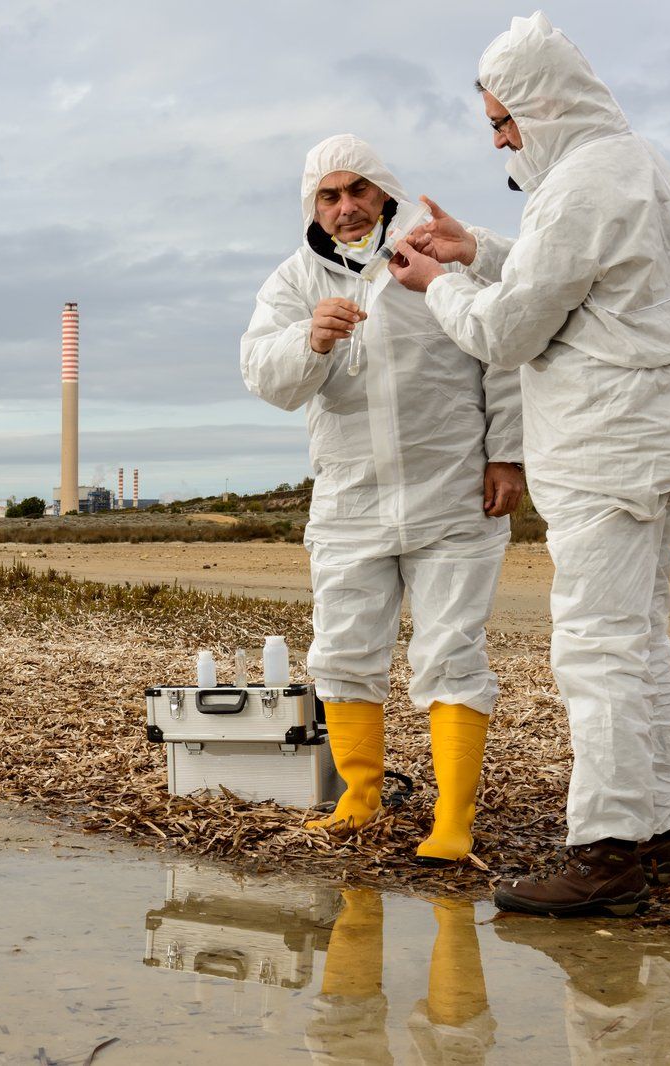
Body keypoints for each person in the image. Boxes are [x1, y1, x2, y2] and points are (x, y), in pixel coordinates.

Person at [389, 12, 670, 915]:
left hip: (610, 440)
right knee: (641, 639)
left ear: (543, 106)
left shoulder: (581, 183)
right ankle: (662, 840)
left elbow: (506, 330)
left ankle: (607, 850)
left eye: (504, 121)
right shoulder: (629, 161)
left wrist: (439, 285)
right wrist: (478, 251)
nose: (501, 139)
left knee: (598, 645)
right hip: (660, 428)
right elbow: (576, 276)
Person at [240, 134, 525, 864]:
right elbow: (262, 377)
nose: (345, 208)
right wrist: (311, 340)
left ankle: (452, 818)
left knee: (453, 652)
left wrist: (508, 455)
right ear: (314, 207)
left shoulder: (426, 260)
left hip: (453, 494)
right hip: (350, 500)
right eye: (329, 197)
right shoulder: (294, 280)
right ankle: (358, 797)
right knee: (342, 648)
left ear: (385, 192)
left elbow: (498, 354)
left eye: (357, 191)